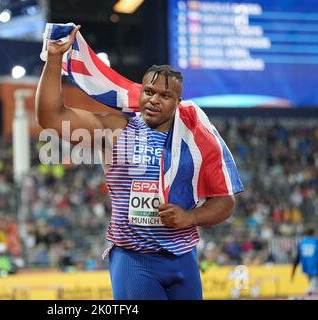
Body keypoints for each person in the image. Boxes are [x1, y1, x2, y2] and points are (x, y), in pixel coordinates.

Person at [36, 25, 243, 300]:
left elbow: (225, 201)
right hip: (134, 260)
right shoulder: (115, 130)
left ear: (179, 102)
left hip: (183, 256)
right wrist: (53, 59)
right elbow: (51, 118)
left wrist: (189, 217)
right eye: (149, 92)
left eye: (165, 95)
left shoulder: (196, 140)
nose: (154, 100)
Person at [292, 228, 318, 295]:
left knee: (313, 283)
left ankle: (311, 292)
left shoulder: (302, 242)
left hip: (306, 266)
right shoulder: (315, 241)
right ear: (313, 233)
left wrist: (293, 271)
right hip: (315, 265)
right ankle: (309, 292)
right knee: (313, 285)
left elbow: (297, 256)